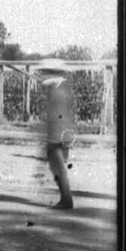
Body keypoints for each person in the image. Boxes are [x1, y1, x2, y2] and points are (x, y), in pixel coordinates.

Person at [37, 59, 75, 209]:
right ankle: (65, 199)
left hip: (58, 135)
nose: (43, 75)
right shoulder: (60, 88)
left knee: (58, 168)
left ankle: (66, 201)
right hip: (61, 135)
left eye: (46, 72)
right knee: (57, 168)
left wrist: (52, 140)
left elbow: (58, 117)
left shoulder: (58, 91)